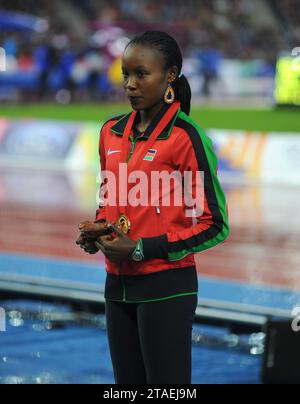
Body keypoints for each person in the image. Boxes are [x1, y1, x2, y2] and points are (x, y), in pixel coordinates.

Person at [76, 31, 229, 384]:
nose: (130, 84)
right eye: (126, 74)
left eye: (141, 74)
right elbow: (108, 199)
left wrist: (143, 248)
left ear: (170, 76)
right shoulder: (110, 132)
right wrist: (99, 229)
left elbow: (214, 224)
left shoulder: (187, 138)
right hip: (116, 285)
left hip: (168, 287)